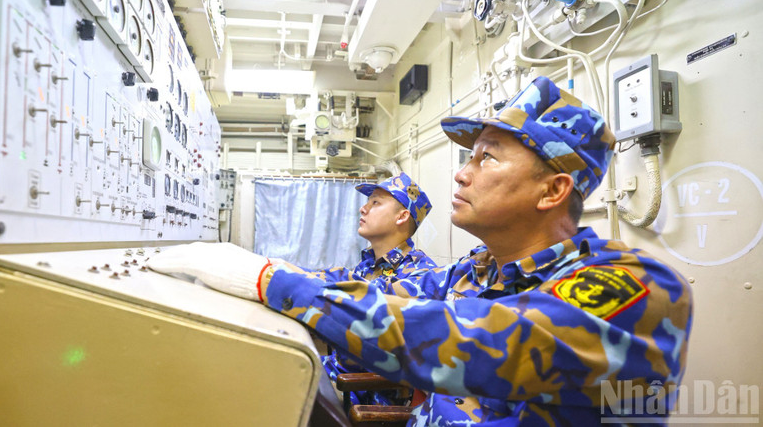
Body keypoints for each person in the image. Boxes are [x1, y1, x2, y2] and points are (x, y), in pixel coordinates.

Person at [148, 76, 692, 425]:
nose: (462, 173)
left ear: (553, 191)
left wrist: (270, 281)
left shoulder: (639, 289)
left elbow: (473, 341)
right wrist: (254, 271)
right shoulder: (477, 272)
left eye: (487, 157)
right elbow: (381, 295)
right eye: (469, 157)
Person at [322, 172, 438, 406]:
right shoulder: (365, 266)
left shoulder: (421, 274)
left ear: (402, 216)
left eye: (375, 203)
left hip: (364, 395)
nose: (363, 209)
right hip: (335, 374)